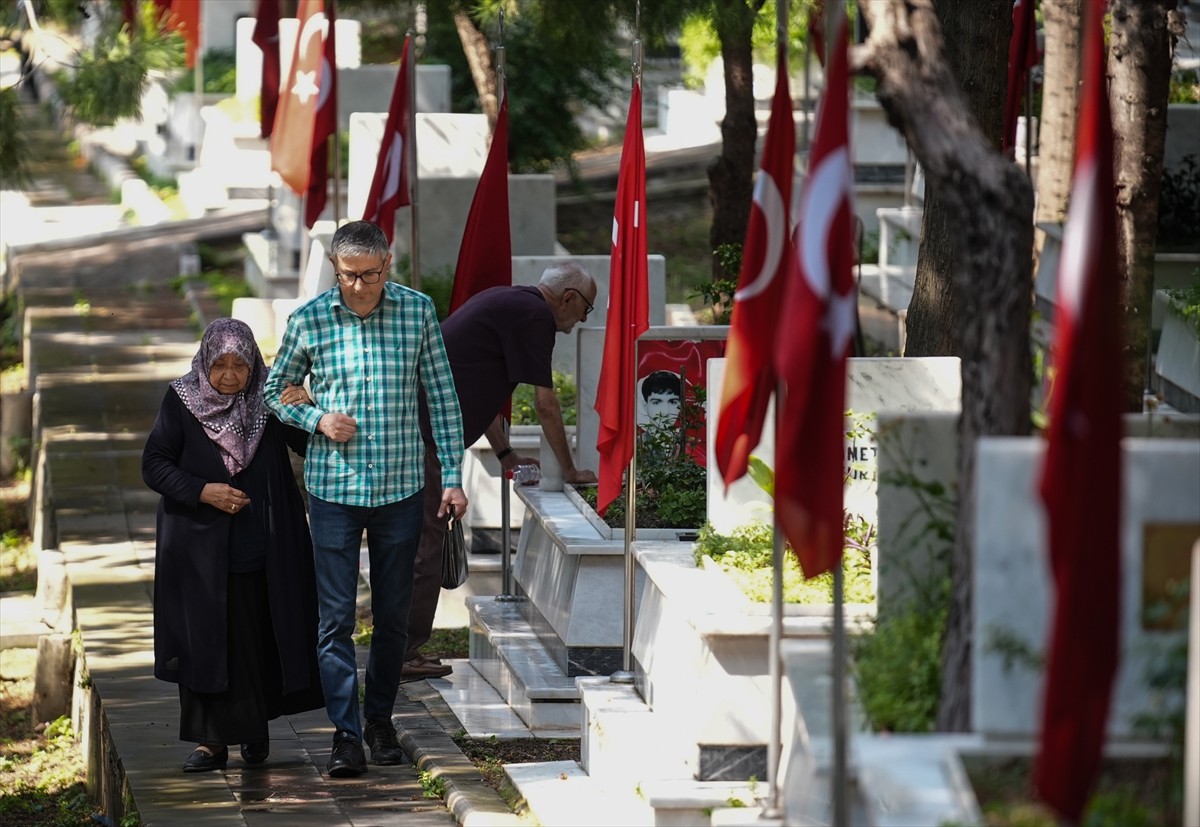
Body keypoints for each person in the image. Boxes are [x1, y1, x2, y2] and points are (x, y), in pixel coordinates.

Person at [263, 220, 468, 779]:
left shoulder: (417, 311)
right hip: (333, 489)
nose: (360, 286)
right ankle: (345, 733)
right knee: (333, 621)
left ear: (388, 265)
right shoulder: (310, 319)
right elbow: (271, 389)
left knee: (393, 616)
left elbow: (443, 396)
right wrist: (317, 418)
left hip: (402, 488)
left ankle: (379, 720)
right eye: (350, 275)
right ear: (335, 268)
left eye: (371, 275)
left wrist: (452, 474)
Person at [403, 262, 600, 681]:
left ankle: (403, 648)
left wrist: (507, 454)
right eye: (586, 309)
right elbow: (546, 403)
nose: (583, 319)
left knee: (422, 543)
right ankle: (404, 653)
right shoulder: (535, 317)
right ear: (568, 298)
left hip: (421, 431)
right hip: (425, 438)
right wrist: (570, 469)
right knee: (427, 546)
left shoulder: (508, 299)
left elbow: (477, 386)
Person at [142, 318, 323, 773]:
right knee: (208, 636)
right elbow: (154, 464)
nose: (227, 376)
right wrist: (204, 491)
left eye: (238, 366)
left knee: (258, 629)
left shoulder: (267, 399)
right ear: (204, 362)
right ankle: (211, 743)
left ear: (252, 365)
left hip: (264, 540)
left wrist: (305, 404)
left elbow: (304, 441)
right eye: (218, 365)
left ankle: (254, 730)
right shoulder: (181, 399)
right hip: (200, 546)